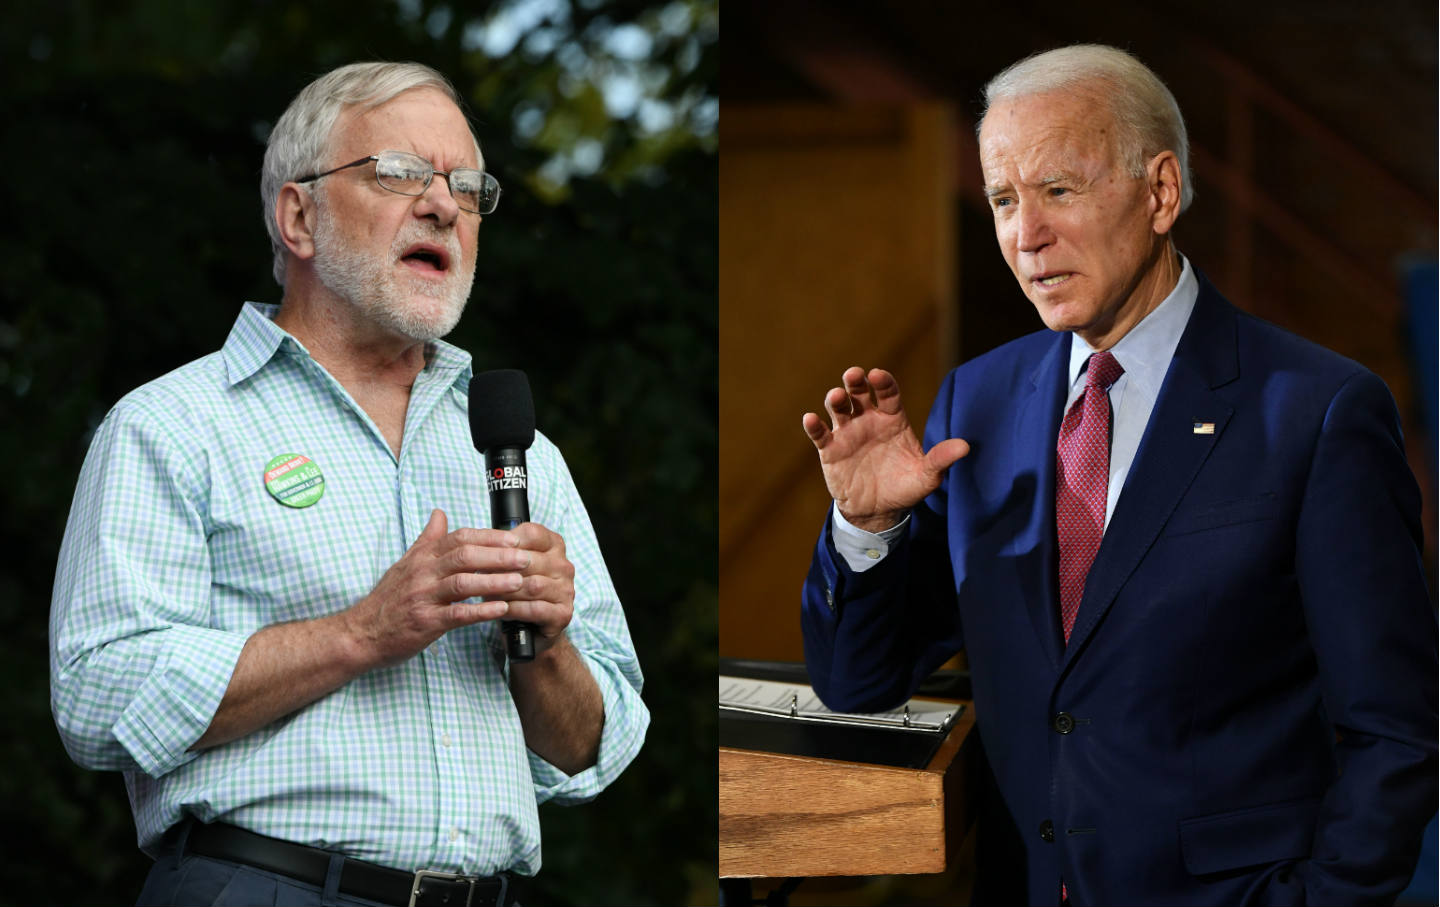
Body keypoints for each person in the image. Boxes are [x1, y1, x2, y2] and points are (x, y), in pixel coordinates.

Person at [801, 44, 1435, 906]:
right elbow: (858, 682)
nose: (1027, 234)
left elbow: (1394, 729)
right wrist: (868, 531)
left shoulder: (1318, 410)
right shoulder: (974, 402)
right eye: (1002, 199)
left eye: (1060, 189)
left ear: (1160, 191)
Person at [49, 61, 648, 907]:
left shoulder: (522, 451)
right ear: (299, 216)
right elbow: (94, 695)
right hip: (263, 885)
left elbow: (599, 745)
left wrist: (547, 648)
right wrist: (364, 631)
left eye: (468, 187)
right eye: (401, 173)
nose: (444, 203)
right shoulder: (173, 425)